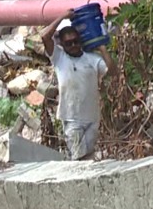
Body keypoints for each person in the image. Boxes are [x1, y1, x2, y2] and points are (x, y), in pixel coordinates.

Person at [41, 13, 111, 161]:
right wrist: (63, 16)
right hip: (71, 118)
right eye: (68, 43)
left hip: (92, 117)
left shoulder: (92, 59)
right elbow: (44, 36)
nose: (73, 45)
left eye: (75, 41)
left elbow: (113, 72)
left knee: (89, 157)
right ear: (62, 45)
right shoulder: (59, 57)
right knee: (78, 157)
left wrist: (103, 49)